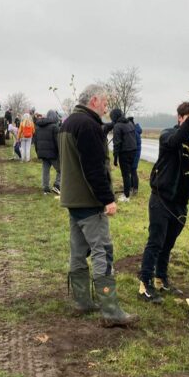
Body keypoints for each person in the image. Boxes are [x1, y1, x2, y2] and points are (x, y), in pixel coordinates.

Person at [58, 84, 139, 327]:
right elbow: (93, 168)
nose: (106, 107)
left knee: (78, 250)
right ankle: (111, 311)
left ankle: (82, 301)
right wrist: (107, 199)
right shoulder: (88, 126)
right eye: (105, 102)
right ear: (94, 100)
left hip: (73, 200)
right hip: (89, 201)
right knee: (102, 250)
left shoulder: (69, 123)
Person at [138, 102, 189, 303]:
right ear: (180, 118)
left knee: (168, 243)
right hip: (161, 198)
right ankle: (145, 283)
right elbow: (175, 141)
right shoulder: (168, 135)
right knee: (156, 242)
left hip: (180, 202)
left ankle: (160, 279)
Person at [109, 109, 137, 202]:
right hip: (133, 150)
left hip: (124, 153)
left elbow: (117, 143)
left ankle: (126, 196)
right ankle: (129, 190)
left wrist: (115, 158)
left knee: (125, 175)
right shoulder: (130, 123)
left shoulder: (117, 126)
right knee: (131, 172)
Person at [33, 109, 61, 194]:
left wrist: (38, 151)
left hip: (43, 153)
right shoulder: (55, 127)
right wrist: (60, 152)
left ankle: (46, 189)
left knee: (45, 171)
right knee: (61, 170)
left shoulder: (38, 127)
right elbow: (58, 142)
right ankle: (57, 185)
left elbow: (35, 141)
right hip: (53, 154)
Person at [128, 116, 142, 196]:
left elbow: (133, 144)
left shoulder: (134, 131)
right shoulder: (135, 129)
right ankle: (132, 187)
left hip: (135, 153)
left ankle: (135, 189)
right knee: (132, 170)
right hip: (135, 152)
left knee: (133, 170)